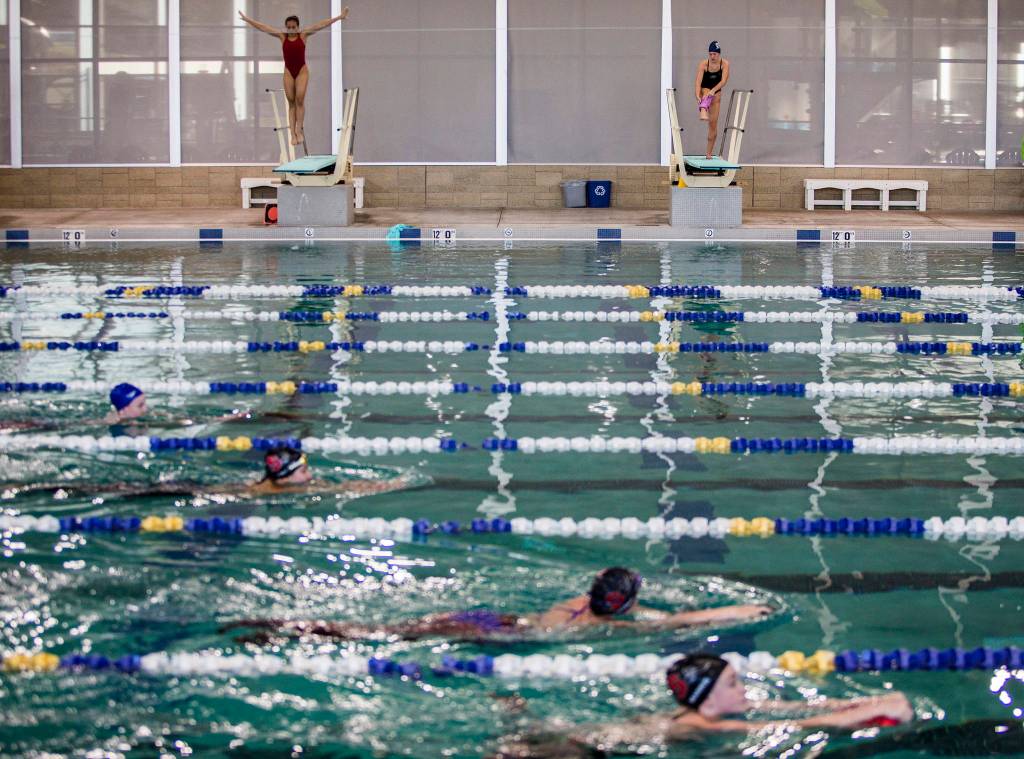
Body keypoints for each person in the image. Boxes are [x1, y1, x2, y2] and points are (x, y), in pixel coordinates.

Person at [491, 653, 913, 757]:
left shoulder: (712, 707)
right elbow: (809, 724)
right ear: (708, 698)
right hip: (577, 751)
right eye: (734, 683)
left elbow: (796, 709)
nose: (745, 689)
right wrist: (891, 712)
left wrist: (875, 701)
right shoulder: (707, 726)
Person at [221, 566, 774, 643]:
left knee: (383, 628)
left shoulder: (581, 602)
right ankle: (287, 633)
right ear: (626, 605)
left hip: (495, 617)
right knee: (383, 635)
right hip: (496, 633)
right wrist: (745, 611)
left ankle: (284, 627)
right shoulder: (625, 621)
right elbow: (686, 619)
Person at [1, 444, 422, 502]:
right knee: (119, 492)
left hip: (192, 486)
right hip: (191, 492)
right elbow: (340, 488)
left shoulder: (272, 485)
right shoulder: (273, 493)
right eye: (305, 467)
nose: (310, 473)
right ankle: (30, 487)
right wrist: (395, 484)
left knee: (120, 487)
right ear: (291, 475)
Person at [238, 8, 350, 146]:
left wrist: (339, 17)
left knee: (300, 100)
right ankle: (292, 134)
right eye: (289, 27)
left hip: (302, 71)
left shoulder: (303, 36)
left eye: (293, 27)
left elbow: (321, 24)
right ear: (286, 27)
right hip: (289, 72)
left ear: (298, 27)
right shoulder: (282, 36)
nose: (291, 29)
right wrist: (247, 19)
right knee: (291, 103)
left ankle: (299, 130)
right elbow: (264, 27)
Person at [694, 41, 730, 159]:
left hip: (716, 95)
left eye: (714, 54)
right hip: (704, 91)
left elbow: (723, 81)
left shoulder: (724, 64)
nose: (712, 56)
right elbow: (698, 82)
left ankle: (708, 153)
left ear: (719, 54)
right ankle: (703, 108)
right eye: (710, 54)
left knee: (713, 125)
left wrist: (713, 90)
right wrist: (697, 95)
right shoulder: (704, 64)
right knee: (705, 92)